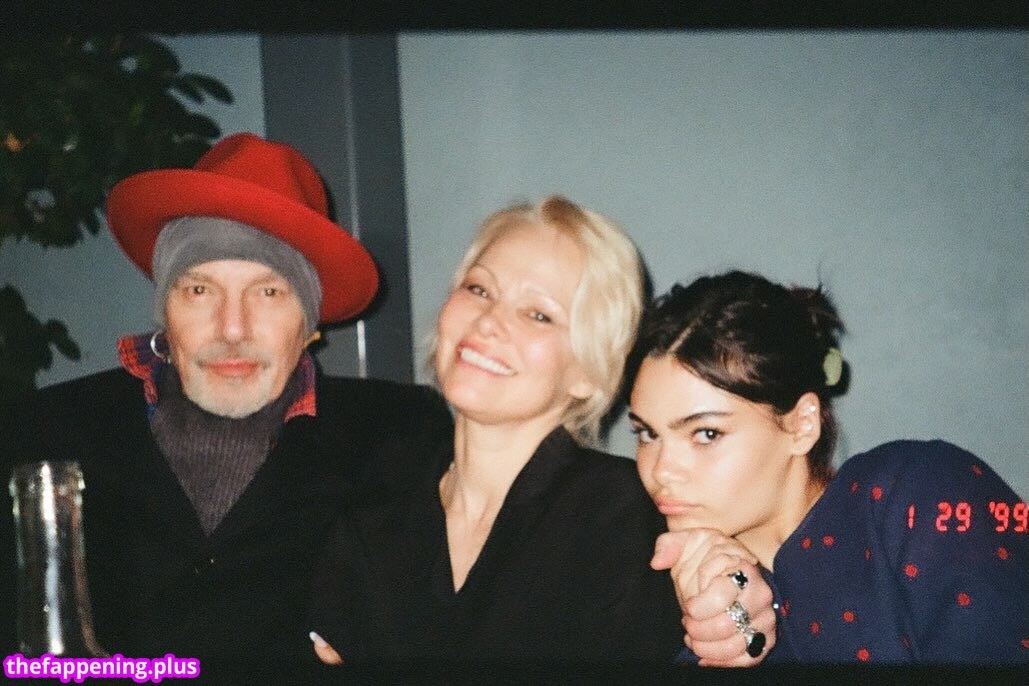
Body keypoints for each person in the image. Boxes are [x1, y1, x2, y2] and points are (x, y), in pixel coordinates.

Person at [0, 133, 453, 677]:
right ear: (165, 310)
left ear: (309, 324)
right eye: (199, 290)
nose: (232, 328)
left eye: (269, 292)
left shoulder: (400, 437)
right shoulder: (43, 434)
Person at [307, 197, 776, 667]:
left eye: (538, 314)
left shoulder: (623, 519)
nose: (488, 322)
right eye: (478, 289)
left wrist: (732, 604)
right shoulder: (370, 501)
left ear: (588, 372)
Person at [628, 269, 1029, 664]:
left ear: (801, 425)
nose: (661, 471)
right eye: (647, 434)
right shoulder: (685, 594)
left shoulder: (919, 493)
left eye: (706, 433)